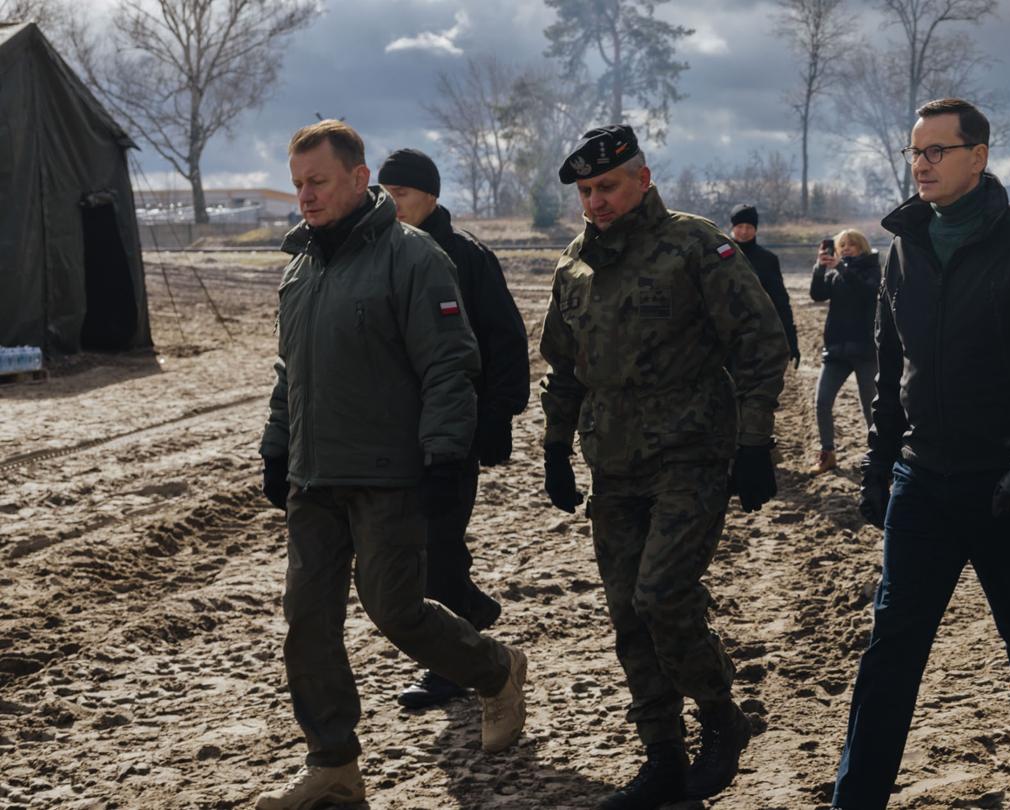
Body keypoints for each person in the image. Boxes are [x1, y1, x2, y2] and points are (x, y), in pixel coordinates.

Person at [832, 98, 1010, 810]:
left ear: (977, 157)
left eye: (937, 151)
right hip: (923, 480)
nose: (921, 164)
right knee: (891, 649)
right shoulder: (904, 246)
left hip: (1008, 484)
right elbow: (892, 368)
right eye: (915, 152)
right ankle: (856, 798)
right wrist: (879, 463)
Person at [255, 120, 528, 809]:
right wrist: (277, 444)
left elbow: (449, 364)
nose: (305, 196)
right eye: (297, 184)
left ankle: (495, 669)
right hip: (315, 476)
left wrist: (444, 454)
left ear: (358, 177)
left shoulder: (413, 258)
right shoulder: (301, 267)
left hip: (387, 473)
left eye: (318, 182)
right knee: (306, 623)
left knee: (395, 610)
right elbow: (291, 370)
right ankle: (333, 765)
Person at [538, 125, 788, 809]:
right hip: (613, 464)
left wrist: (754, 443)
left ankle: (720, 716)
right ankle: (662, 758)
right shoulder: (574, 267)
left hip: (690, 454)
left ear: (642, 180)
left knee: (661, 595)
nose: (596, 201)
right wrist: (556, 447)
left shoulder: (693, 246)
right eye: (586, 191)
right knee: (627, 612)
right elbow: (563, 366)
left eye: (608, 186)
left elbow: (761, 341)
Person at [376, 147, 531, 711]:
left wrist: (498, 416)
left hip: (457, 425)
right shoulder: (380, 252)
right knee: (418, 547)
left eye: (401, 194)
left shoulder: (466, 256)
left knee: (438, 544)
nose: (391, 204)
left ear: (431, 195)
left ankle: (449, 667)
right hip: (398, 431)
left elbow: (505, 339)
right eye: (384, 194)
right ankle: (472, 611)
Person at [808, 228, 882, 475]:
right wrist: (819, 268)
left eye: (852, 244)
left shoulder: (872, 269)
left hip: (865, 350)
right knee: (822, 401)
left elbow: (866, 292)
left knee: (871, 406)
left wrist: (841, 268)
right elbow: (817, 295)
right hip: (836, 350)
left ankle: (880, 455)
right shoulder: (836, 271)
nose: (846, 249)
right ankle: (827, 453)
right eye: (842, 245)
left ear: (862, 247)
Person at [730, 203, 802, 368]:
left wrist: (791, 341)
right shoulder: (720, 255)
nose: (744, 231)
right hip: (725, 334)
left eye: (749, 227)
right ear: (733, 227)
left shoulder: (767, 260)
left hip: (758, 335)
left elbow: (780, 301)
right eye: (740, 226)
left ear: (756, 229)